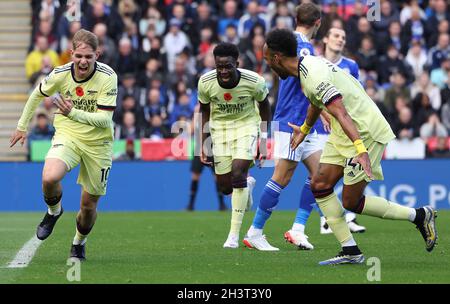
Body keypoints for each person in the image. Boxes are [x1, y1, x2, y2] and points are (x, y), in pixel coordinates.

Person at [263, 28, 438, 265]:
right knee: (320, 184)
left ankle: (419, 215)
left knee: (351, 201)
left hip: (363, 131)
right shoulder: (306, 67)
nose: (269, 67)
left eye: (267, 60)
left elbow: (341, 112)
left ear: (277, 58)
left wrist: (361, 151)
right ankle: (350, 250)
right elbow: (316, 102)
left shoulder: (312, 74)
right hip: (342, 131)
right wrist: (304, 130)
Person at [10, 29, 118, 261]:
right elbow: (36, 95)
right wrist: (22, 126)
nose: (83, 61)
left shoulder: (108, 76)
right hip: (68, 134)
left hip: (98, 143)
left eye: (89, 56)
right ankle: (54, 212)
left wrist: (73, 111)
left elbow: (104, 119)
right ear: (71, 54)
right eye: (79, 56)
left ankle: (78, 242)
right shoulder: (59, 74)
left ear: (97, 54)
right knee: (49, 177)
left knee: (88, 207)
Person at [243, 2, 323, 252]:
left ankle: (297, 229)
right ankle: (255, 232)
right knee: (282, 177)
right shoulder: (305, 49)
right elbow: (308, 83)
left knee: (320, 177)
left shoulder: (284, 43)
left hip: (305, 122)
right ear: (318, 23)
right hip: (293, 120)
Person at [198, 42, 271, 249]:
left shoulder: (254, 81)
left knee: (238, 173)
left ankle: (233, 236)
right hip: (219, 130)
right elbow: (203, 111)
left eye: (228, 66)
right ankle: (246, 187)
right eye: (219, 67)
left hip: (247, 127)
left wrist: (264, 139)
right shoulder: (205, 82)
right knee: (225, 187)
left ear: (236, 64)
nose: (223, 71)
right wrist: (203, 143)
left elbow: (265, 106)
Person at [318, 27, 366, 234]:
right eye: (336, 36)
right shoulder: (316, 63)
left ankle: (351, 217)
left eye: (343, 37)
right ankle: (326, 220)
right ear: (326, 39)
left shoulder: (351, 65)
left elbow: (358, 94)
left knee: (351, 169)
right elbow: (310, 93)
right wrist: (321, 113)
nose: (340, 40)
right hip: (324, 126)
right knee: (323, 174)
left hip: (346, 125)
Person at [186, 104, 227, 212]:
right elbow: (192, 129)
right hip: (201, 145)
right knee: (196, 175)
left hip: (212, 145)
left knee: (216, 175)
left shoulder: (214, 106)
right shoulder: (198, 108)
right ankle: (191, 204)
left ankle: (221, 204)